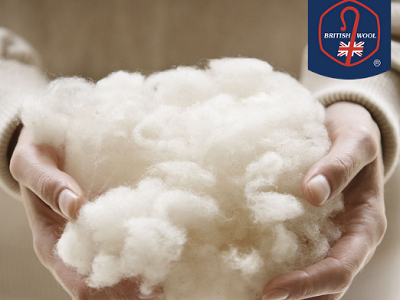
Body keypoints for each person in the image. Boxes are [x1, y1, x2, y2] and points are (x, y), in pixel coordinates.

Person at [0, 1, 399, 299]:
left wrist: (358, 88)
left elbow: (363, 8)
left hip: (316, 225)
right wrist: (18, 111)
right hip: (51, 235)